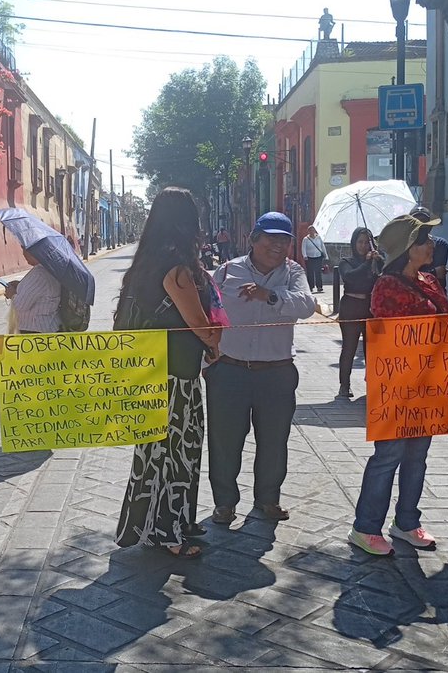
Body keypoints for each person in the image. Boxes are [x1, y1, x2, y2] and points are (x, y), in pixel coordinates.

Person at [115, 187, 221, 559]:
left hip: (150, 374)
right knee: (178, 454)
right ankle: (170, 532)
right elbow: (199, 324)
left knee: (152, 454)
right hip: (176, 377)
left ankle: (153, 525)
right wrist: (216, 337)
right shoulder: (177, 269)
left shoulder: (144, 264)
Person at [349, 213, 448, 555]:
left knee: (417, 455)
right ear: (408, 250)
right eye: (423, 240)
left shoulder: (430, 281)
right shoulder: (386, 287)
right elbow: (402, 332)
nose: (431, 245)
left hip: (429, 382)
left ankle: (407, 521)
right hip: (395, 385)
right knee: (389, 454)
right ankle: (366, 527)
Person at [206, 212, 317, 525]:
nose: (277, 245)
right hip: (229, 369)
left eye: (284, 239)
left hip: (276, 371)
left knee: (273, 439)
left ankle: (268, 499)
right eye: (270, 238)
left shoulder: (293, 272)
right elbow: (208, 313)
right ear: (253, 239)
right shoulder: (228, 271)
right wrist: (208, 362)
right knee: (225, 441)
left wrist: (269, 295)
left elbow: (307, 305)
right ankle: (224, 503)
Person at [337, 227, 383, 399]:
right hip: (351, 306)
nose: (363, 246)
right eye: (360, 242)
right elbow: (350, 277)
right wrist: (366, 263)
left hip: (370, 307)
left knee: (370, 349)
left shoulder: (375, 261)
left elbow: (387, 274)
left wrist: (380, 260)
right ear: (354, 243)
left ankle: (372, 383)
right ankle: (344, 385)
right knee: (349, 346)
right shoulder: (346, 262)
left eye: (366, 242)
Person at [4, 248, 62, 333]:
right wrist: (20, 285)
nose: (24, 254)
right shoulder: (47, 270)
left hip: (36, 330)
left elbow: (21, 305)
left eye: (25, 250)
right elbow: (38, 292)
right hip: (47, 326)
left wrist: (12, 294)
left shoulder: (39, 274)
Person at [301, 225, 327, 293]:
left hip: (318, 257)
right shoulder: (306, 239)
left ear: (315, 230)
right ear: (308, 231)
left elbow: (322, 246)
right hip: (309, 257)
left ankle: (319, 286)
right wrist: (305, 255)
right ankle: (311, 286)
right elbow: (303, 248)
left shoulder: (318, 238)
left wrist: (326, 255)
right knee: (310, 273)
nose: (312, 231)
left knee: (318, 272)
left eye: (313, 230)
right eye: (310, 230)